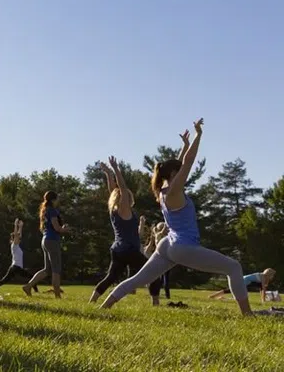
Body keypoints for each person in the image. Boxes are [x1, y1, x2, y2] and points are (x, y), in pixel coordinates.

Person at [101, 119, 253, 316]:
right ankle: (248, 314)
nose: (182, 172)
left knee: (138, 279)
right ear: (174, 174)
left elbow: (179, 164)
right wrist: (199, 135)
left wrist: (185, 146)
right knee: (234, 267)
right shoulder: (174, 192)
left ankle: (104, 307)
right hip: (183, 247)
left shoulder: (163, 190)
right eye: (178, 171)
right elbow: (188, 163)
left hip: (167, 244)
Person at [89, 157, 162, 305]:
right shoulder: (124, 208)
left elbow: (113, 190)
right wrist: (116, 169)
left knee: (111, 277)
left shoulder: (114, 210)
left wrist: (108, 174)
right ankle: (155, 303)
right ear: (124, 197)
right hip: (129, 250)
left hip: (117, 250)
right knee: (153, 273)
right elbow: (121, 188)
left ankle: (93, 300)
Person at [22, 191, 70, 298]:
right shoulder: (52, 211)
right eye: (57, 199)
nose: (58, 201)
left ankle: (28, 286)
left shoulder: (45, 210)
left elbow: (48, 227)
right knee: (56, 269)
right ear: (53, 200)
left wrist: (61, 229)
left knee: (46, 269)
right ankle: (57, 296)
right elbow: (57, 228)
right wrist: (65, 229)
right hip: (52, 241)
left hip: (45, 239)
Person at [0, 219, 35, 291]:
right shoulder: (14, 245)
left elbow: (18, 235)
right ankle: (35, 290)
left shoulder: (17, 246)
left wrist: (20, 227)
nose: (19, 239)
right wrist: (15, 225)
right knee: (31, 277)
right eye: (17, 238)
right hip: (16, 267)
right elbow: (16, 235)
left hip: (16, 268)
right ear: (14, 239)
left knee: (4, 280)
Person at [209, 268, 276, 303]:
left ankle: (215, 296)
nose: (273, 277)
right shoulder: (262, 277)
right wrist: (263, 300)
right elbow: (263, 289)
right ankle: (214, 296)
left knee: (230, 291)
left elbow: (262, 288)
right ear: (268, 275)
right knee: (230, 291)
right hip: (244, 281)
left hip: (244, 279)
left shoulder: (262, 276)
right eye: (272, 275)